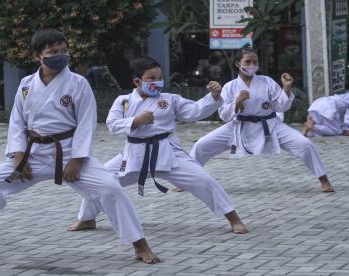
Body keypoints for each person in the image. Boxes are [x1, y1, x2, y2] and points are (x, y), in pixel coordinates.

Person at [0, 29, 162, 264]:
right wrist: (18, 155)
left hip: (69, 152)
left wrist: (78, 159)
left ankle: (140, 245)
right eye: (53, 52)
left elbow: (86, 124)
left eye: (63, 51)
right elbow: (17, 121)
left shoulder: (78, 84)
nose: (60, 55)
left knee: (111, 188)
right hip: (33, 154)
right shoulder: (26, 84)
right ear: (38, 55)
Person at [67, 56, 248, 234]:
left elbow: (193, 112)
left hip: (168, 151)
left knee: (204, 180)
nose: (158, 81)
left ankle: (233, 218)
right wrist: (136, 121)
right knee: (102, 180)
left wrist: (214, 96)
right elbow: (112, 124)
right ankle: (87, 218)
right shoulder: (123, 101)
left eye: (160, 77)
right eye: (152, 78)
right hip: (133, 154)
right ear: (138, 81)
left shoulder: (170, 99)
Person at [190, 46, 334, 192]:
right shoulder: (230, 87)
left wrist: (286, 88)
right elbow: (224, 115)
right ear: (238, 64)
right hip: (239, 125)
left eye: (255, 62)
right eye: (247, 62)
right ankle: (187, 179)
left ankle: (324, 180)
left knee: (305, 144)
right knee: (202, 145)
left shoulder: (267, 82)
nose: (252, 66)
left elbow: (281, 106)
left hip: (270, 124)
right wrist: (237, 102)